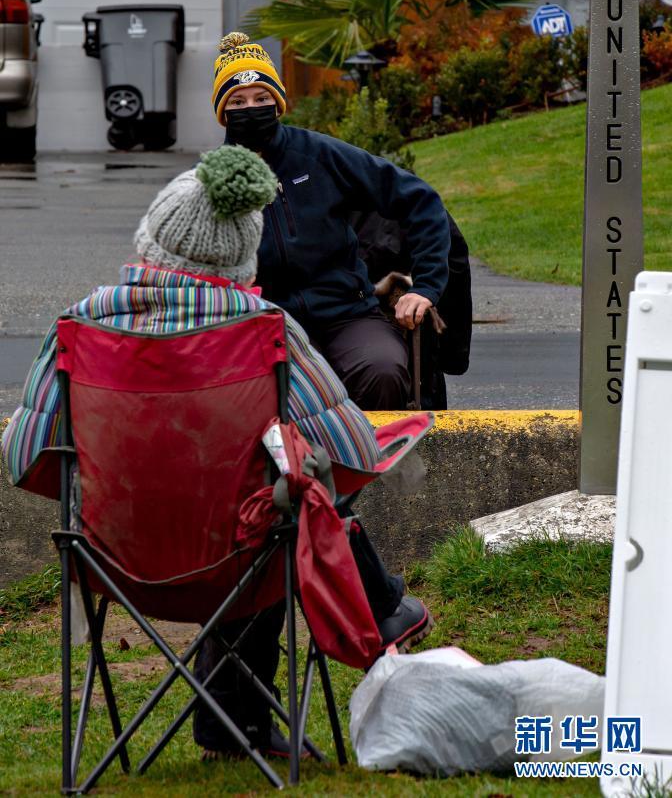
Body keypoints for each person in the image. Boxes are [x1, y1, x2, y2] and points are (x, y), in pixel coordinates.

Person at [1, 144, 433, 760]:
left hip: (110, 562)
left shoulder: (79, 329)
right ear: (242, 255)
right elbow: (353, 454)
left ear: (150, 237)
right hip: (239, 566)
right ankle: (345, 635)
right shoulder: (266, 332)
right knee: (280, 502)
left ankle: (236, 720)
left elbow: (23, 458)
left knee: (262, 507)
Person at [211, 32, 451, 410]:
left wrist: (426, 287)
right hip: (264, 321)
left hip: (347, 313)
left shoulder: (320, 154)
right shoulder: (209, 178)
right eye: (237, 101)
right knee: (268, 391)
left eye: (262, 98)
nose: (251, 107)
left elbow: (420, 200)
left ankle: (375, 468)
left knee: (384, 370)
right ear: (224, 113)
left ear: (279, 102)